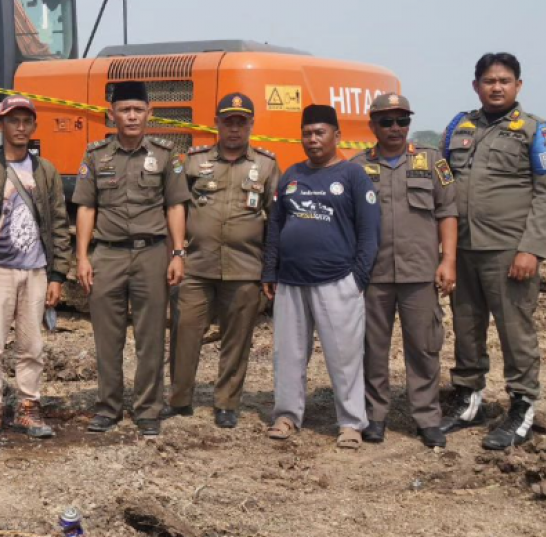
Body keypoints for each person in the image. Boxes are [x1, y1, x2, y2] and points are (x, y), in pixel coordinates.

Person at [439, 53, 546, 449]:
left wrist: (532, 248)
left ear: (518, 86)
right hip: (464, 248)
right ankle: (466, 397)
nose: (496, 87)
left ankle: (521, 405)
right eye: (489, 80)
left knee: (515, 332)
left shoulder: (533, 131)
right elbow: (443, 182)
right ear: (476, 85)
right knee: (466, 327)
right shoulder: (460, 127)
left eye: (505, 81)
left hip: (509, 252)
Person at [73, 80, 188, 437]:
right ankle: (108, 407)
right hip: (107, 255)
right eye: (125, 110)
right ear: (112, 114)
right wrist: (82, 257)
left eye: (138, 109)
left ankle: (147, 410)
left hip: (151, 254)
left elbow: (175, 206)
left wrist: (178, 253)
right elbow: (86, 208)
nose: (132, 116)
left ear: (149, 113)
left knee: (151, 336)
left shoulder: (166, 155)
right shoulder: (96, 156)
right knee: (107, 337)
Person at [262, 104, 380, 449]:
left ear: (336, 136)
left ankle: (351, 423)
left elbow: (370, 232)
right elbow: (275, 225)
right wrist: (271, 269)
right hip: (291, 282)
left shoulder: (353, 175)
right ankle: (286, 416)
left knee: (344, 356)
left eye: (320, 133)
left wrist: (357, 279)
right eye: (307, 133)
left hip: (337, 281)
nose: (312, 140)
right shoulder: (292, 175)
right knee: (288, 355)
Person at [0, 96, 71, 440]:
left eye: (26, 121)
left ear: (34, 127)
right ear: (0, 126)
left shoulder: (45, 171)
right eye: (13, 121)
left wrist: (57, 275)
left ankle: (27, 407)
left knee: (32, 345)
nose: (20, 128)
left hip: (36, 271)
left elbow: (59, 225)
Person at [168, 93, 279, 428]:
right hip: (197, 265)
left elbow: (275, 219)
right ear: (216, 123)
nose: (234, 128)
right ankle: (179, 399)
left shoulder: (266, 165)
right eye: (228, 121)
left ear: (251, 125)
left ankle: (227, 403)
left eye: (241, 122)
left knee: (237, 337)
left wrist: (270, 269)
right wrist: (175, 254)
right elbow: (175, 208)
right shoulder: (193, 161)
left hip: (245, 266)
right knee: (185, 332)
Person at [352, 94, 456, 448]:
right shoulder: (357, 166)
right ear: (372, 126)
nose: (395, 128)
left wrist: (448, 261)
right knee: (372, 348)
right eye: (386, 121)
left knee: (425, 347)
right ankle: (374, 416)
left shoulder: (430, 160)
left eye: (401, 121)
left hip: (420, 273)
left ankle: (427, 418)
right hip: (374, 275)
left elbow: (448, 212)